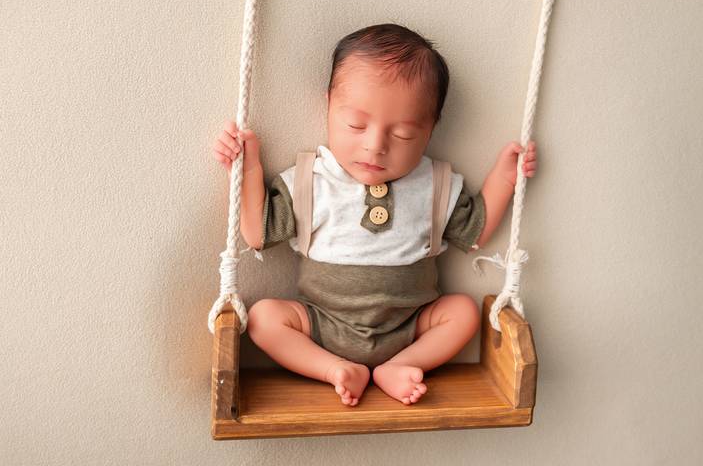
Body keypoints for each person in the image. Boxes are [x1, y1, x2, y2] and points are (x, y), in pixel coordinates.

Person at [212, 23, 537, 407]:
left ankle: (400, 366)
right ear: (329, 106)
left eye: (402, 135)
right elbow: (257, 233)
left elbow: (476, 232)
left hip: (412, 325)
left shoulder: (434, 184)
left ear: (430, 129)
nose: (375, 145)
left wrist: (504, 178)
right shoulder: (312, 180)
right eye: (356, 125)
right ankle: (333, 368)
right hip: (320, 323)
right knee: (264, 318)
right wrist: (247, 169)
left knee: (463, 312)